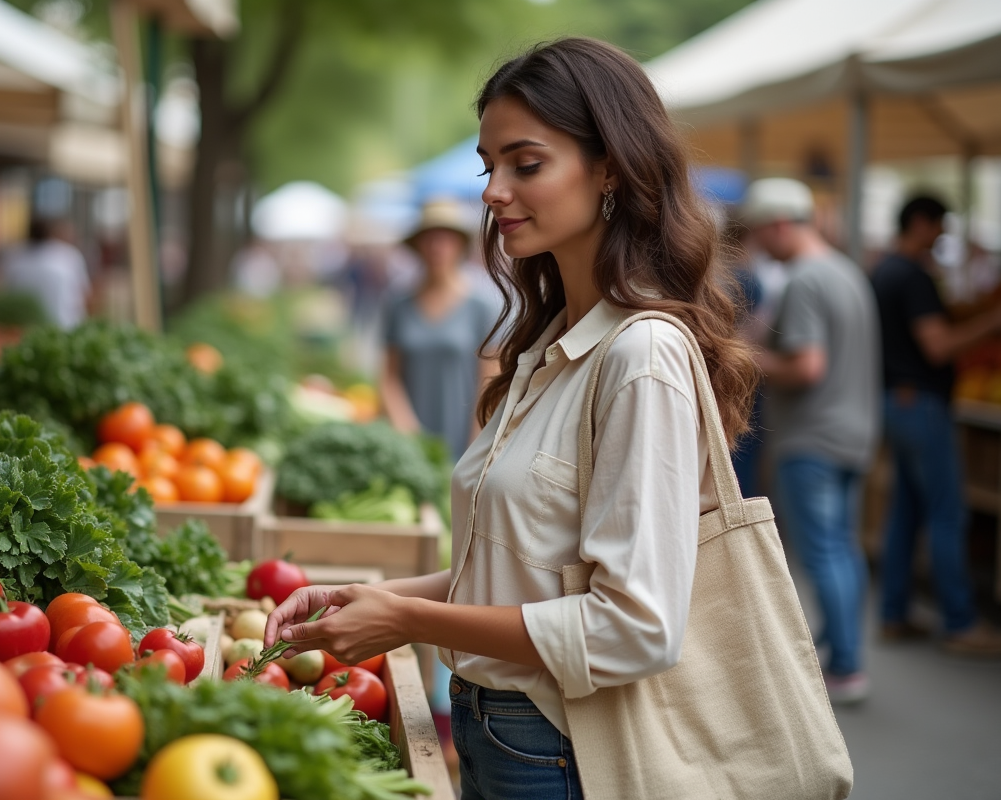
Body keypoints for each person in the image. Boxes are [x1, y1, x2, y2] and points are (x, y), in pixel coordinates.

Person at [264, 38, 758, 798]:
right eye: (487, 166)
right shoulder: (546, 345)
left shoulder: (641, 357)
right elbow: (517, 572)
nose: (493, 192)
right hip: (499, 729)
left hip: (559, 751)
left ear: (611, 170)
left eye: (525, 164)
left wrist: (407, 619)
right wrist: (368, 599)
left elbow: (636, 629)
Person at [747, 177, 880, 704]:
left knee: (823, 552)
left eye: (760, 233)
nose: (759, 245)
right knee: (842, 548)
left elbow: (806, 367)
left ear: (781, 223)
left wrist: (746, 357)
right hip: (854, 432)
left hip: (813, 437)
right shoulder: (847, 271)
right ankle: (841, 652)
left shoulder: (804, 279)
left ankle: (846, 666)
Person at [871, 195, 1001, 656]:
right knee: (948, 514)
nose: (942, 234)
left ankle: (894, 613)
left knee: (905, 513)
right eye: (940, 225)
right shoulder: (913, 277)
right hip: (922, 405)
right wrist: (990, 323)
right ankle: (961, 621)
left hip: (897, 403)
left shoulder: (885, 271)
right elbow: (939, 347)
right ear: (922, 223)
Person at [379, 198, 502, 460]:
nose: (437, 247)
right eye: (429, 238)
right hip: (408, 441)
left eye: (446, 238)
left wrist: (475, 448)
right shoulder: (398, 304)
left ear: (460, 245)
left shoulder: (482, 305)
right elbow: (389, 376)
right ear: (417, 245)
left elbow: (490, 383)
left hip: (466, 438)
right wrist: (405, 431)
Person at [2, 218, 91, 329]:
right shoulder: (68, 255)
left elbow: (7, 293)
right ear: (51, 233)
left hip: (24, 327)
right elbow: (85, 294)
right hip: (66, 325)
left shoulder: (13, 257)